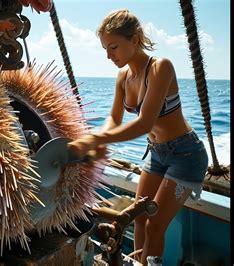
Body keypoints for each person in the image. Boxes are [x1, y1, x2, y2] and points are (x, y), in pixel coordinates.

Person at [67, 9, 208, 265]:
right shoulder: (123, 77)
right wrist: (95, 136)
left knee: (155, 225)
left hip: (186, 154)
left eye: (113, 47)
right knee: (138, 217)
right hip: (156, 152)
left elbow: (144, 123)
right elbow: (114, 119)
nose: (109, 56)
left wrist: (97, 141)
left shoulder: (160, 67)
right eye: (105, 50)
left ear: (134, 39)